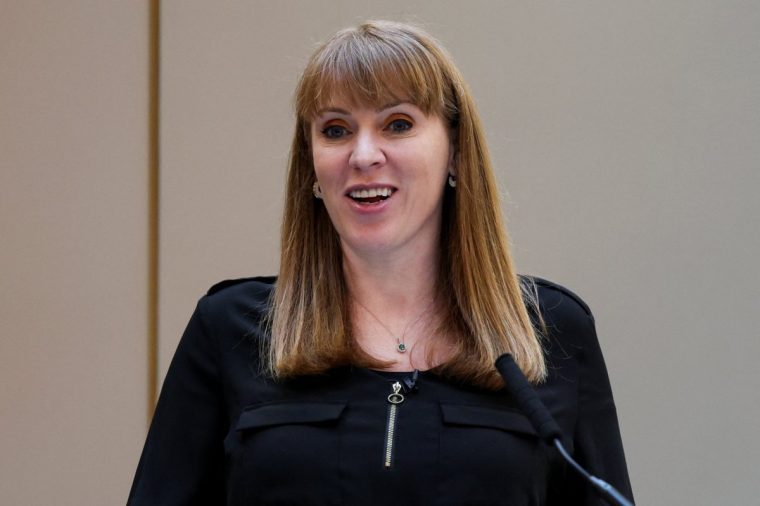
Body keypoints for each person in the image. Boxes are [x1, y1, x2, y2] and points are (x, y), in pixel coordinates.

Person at [128, 20, 633, 505]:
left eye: (397, 124)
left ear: (456, 152)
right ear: (311, 166)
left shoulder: (552, 331)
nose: (364, 155)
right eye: (336, 130)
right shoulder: (229, 329)